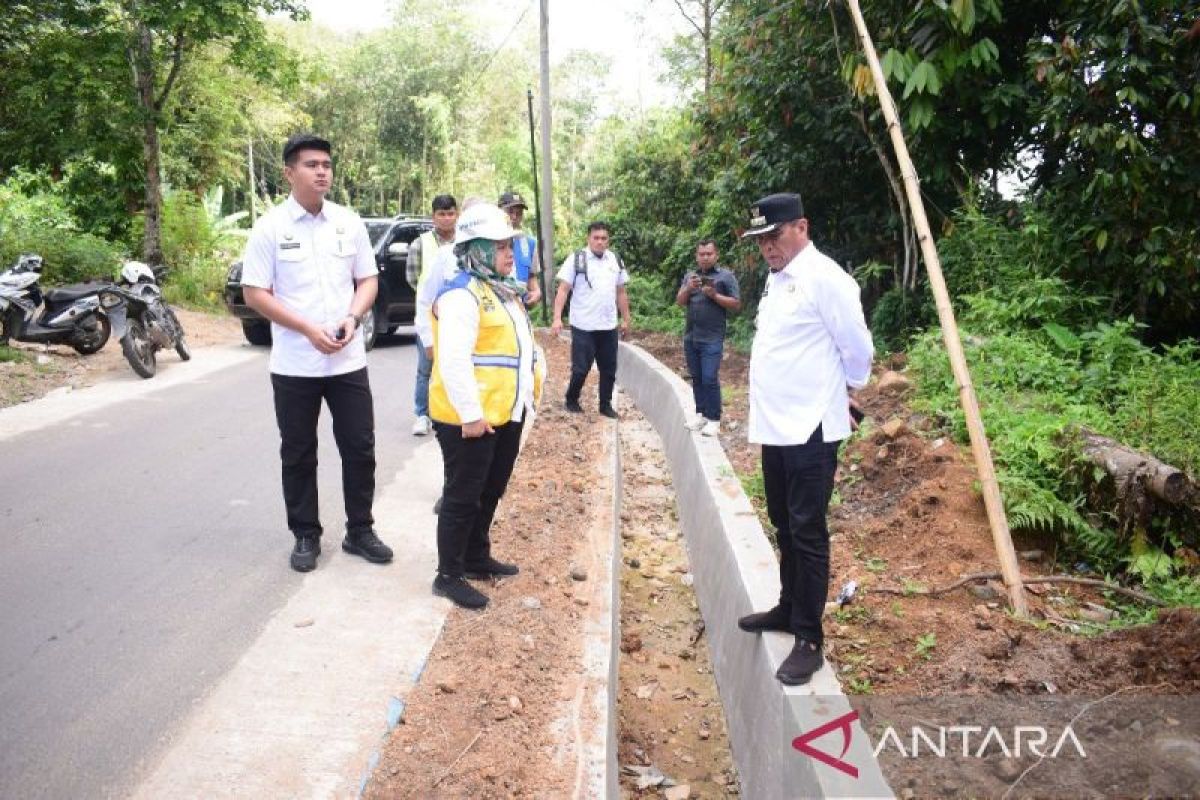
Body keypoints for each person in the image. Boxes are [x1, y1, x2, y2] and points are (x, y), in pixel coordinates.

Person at [735, 192, 873, 685]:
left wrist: (849, 395)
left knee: (807, 530)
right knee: (783, 524)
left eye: (775, 236)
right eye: (761, 241)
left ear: (801, 228)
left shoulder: (826, 279)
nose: (768, 247)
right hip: (777, 427)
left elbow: (856, 347)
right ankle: (787, 607)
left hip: (811, 428)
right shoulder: (779, 282)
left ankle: (809, 638)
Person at [241, 133, 394, 573]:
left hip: (347, 361)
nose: (322, 171)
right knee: (299, 451)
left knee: (360, 448)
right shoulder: (270, 228)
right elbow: (254, 292)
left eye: (326, 163)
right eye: (311, 164)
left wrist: (353, 315)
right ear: (290, 172)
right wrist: (307, 329)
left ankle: (360, 530)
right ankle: (306, 533)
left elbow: (367, 280)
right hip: (295, 364)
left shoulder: (348, 222)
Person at [428, 203, 544, 609]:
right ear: (475, 248)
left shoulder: (502, 290)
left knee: (490, 489)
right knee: (462, 496)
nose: (509, 252)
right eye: (499, 246)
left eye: (510, 243)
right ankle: (448, 575)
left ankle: (476, 556)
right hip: (469, 418)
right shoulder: (463, 295)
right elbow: (454, 361)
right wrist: (471, 416)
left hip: (505, 413)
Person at [550, 221, 631, 419]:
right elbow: (563, 289)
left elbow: (621, 292)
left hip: (608, 325)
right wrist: (557, 318)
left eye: (604, 238)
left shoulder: (615, 260)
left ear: (608, 240)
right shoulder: (576, 259)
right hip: (583, 325)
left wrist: (626, 319)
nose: (600, 242)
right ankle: (571, 398)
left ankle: (605, 404)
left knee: (609, 369)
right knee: (581, 368)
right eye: (596, 238)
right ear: (589, 239)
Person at [675, 238, 741, 437]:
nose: (705, 257)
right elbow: (679, 301)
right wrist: (688, 288)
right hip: (691, 336)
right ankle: (701, 414)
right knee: (696, 377)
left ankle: (714, 419)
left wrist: (714, 295)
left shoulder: (725, 277)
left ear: (716, 255)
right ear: (696, 256)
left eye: (709, 254)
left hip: (712, 337)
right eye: (701, 254)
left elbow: (737, 304)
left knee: (710, 378)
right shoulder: (690, 276)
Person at [407, 194, 458, 437]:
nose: (447, 219)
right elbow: (413, 279)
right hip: (428, 314)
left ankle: (449, 412)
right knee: (426, 366)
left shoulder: (466, 242)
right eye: (442, 214)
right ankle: (422, 414)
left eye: (451, 213)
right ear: (433, 217)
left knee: (455, 364)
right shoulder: (421, 244)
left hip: (458, 315)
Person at [498, 191, 542, 307]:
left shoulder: (530, 243)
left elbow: (531, 276)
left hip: (520, 307)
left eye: (519, 213)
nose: (514, 217)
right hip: (496, 305)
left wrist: (537, 292)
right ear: (498, 211)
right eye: (510, 211)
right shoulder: (488, 240)